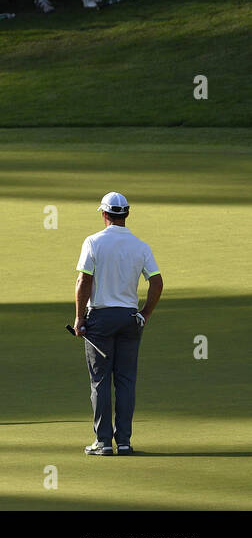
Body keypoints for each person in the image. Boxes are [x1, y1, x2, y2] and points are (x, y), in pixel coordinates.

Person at [74, 192, 163, 456]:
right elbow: (157, 282)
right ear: (126, 215)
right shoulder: (141, 245)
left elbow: (83, 282)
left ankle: (103, 443)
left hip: (100, 319)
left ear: (104, 215)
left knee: (100, 380)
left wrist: (79, 318)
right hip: (129, 319)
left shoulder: (93, 242)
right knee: (125, 380)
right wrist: (145, 313)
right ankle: (123, 441)